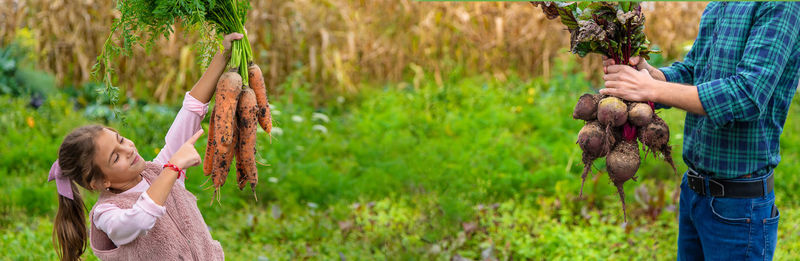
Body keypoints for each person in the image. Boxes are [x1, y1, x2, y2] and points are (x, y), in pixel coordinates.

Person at [601, 2, 799, 260]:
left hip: (738, 206)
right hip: (694, 192)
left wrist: (650, 90)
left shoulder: (780, 5)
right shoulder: (719, 4)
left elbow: (747, 95)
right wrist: (648, 75)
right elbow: (694, 72)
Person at [48, 33, 244, 261]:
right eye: (115, 157)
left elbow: (192, 109)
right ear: (101, 182)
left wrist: (223, 54)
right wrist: (173, 168)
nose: (128, 149)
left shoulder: (158, 171)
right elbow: (138, 220)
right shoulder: (107, 214)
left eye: (120, 140)